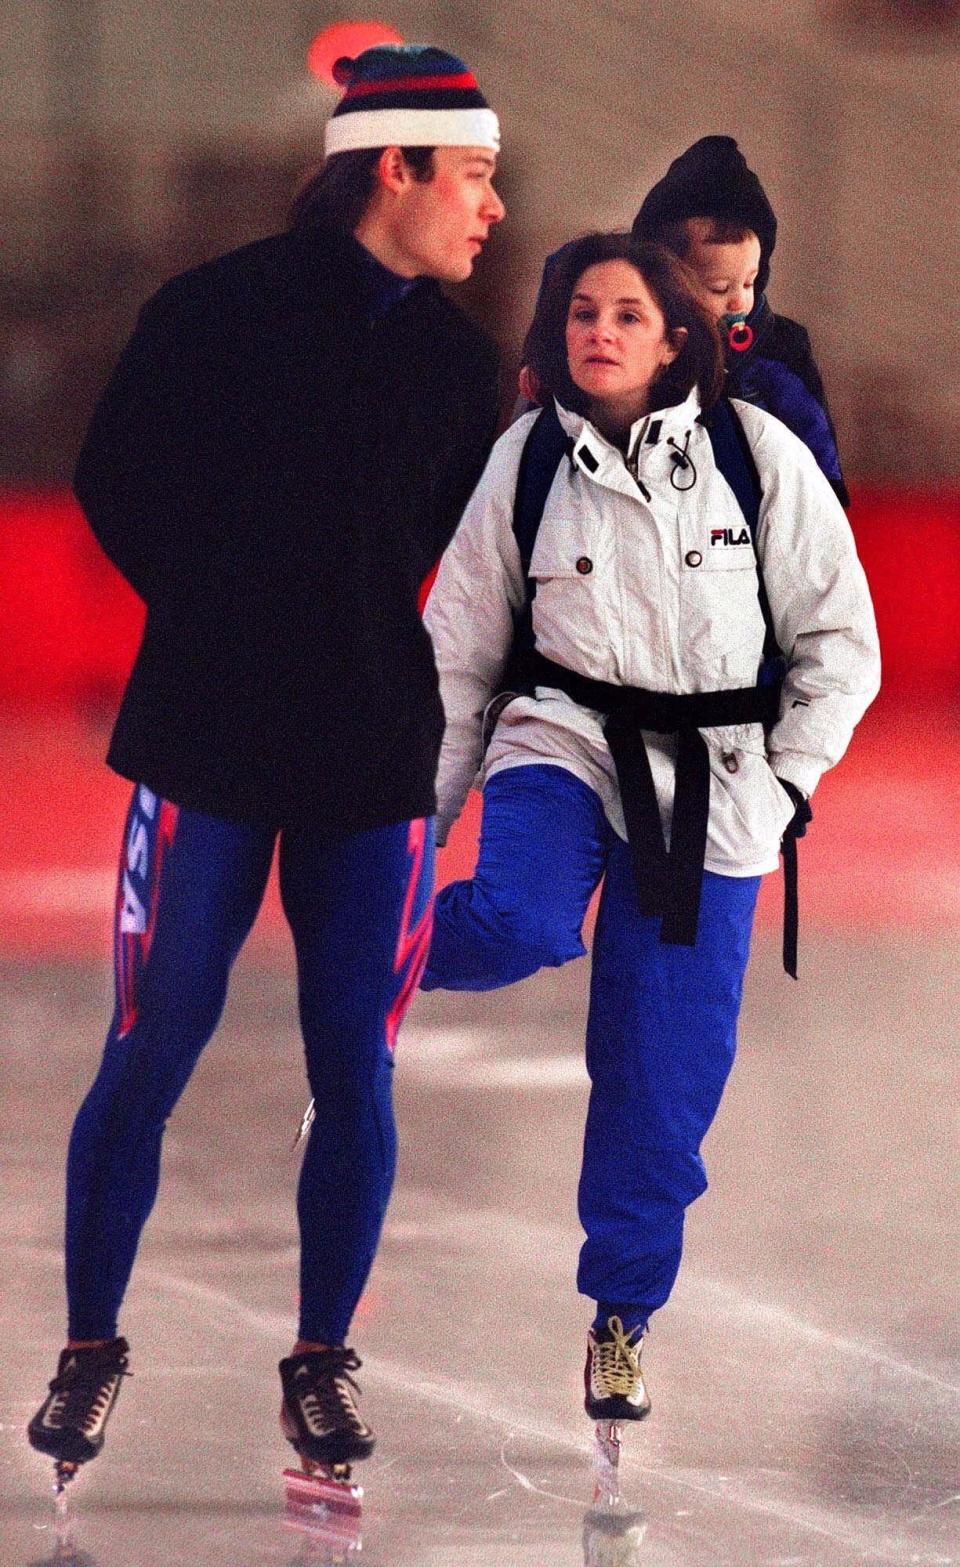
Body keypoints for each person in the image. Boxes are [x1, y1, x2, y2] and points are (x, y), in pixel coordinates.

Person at [27, 43, 505, 1485]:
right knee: (149, 1043)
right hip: (208, 739)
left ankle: (317, 1361)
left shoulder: (455, 357)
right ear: (396, 166)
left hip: (371, 755)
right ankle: (90, 1347)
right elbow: (117, 477)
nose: (490, 208)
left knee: (353, 1065)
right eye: (473, 174)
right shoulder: (212, 309)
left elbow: (438, 540)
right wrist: (224, 617)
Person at [420, 233, 879, 1425]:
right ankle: (379, 951)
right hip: (562, 737)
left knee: (660, 1071)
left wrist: (784, 787)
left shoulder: (754, 454)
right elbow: (462, 654)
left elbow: (841, 643)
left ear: (675, 336)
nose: (600, 331)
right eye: (581, 311)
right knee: (517, 914)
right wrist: (414, 832)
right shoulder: (524, 461)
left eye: (627, 312)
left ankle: (622, 1313)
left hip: (717, 782)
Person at [521, 136, 847, 503]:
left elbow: (815, 444)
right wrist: (542, 364)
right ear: (668, 281)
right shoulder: (627, 337)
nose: (740, 300)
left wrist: (823, 500)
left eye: (751, 281)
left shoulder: (776, 350)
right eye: (719, 287)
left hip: (742, 510)